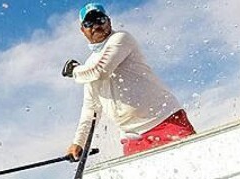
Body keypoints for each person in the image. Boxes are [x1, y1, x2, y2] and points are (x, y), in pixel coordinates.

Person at [63, 3, 195, 159]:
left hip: (165, 121)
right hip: (133, 138)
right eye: (89, 23)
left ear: (109, 21)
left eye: (100, 19)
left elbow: (101, 71)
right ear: (82, 30)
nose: (96, 25)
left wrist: (74, 70)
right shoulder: (87, 69)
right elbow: (90, 109)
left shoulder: (120, 39)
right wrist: (79, 142)